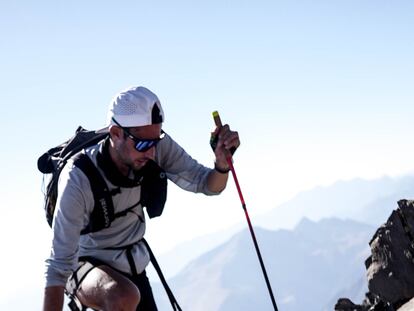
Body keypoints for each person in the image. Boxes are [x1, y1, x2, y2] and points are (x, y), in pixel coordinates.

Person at [43, 86, 240, 311]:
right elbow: (58, 269)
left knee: (128, 295)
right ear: (116, 134)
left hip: (133, 267)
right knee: (122, 297)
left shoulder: (154, 144)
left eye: (156, 141)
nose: (152, 152)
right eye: (143, 144)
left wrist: (222, 165)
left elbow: (209, 184)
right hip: (84, 266)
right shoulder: (78, 178)